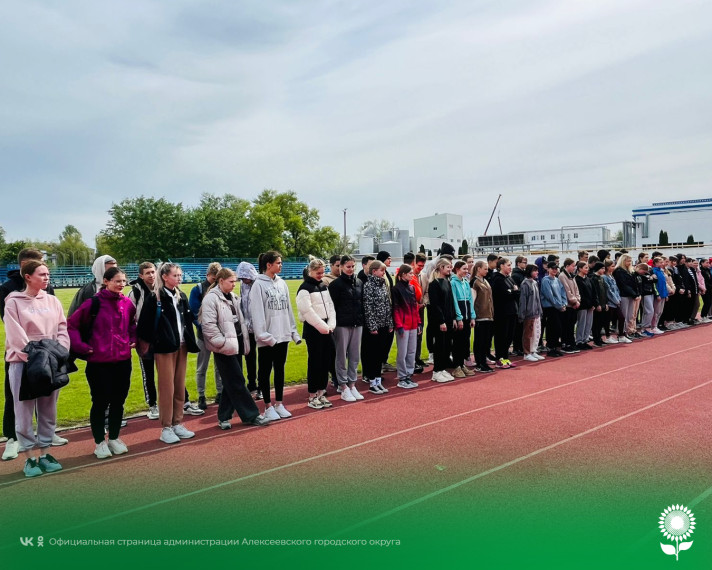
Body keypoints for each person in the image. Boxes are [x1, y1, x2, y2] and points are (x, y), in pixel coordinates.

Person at [4, 261, 68, 477]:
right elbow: (15, 335)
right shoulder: (13, 302)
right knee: (23, 411)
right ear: (28, 276)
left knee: (48, 408)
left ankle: (46, 453)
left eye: (48, 274)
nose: (46, 277)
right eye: (42, 274)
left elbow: (62, 328)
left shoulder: (53, 301)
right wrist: (33, 357)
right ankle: (30, 458)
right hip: (23, 363)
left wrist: (59, 352)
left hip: (51, 362)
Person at [68, 267, 136, 459]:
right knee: (100, 402)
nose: (121, 285)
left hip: (123, 361)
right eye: (117, 281)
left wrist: (133, 337)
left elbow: (132, 323)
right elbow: (71, 325)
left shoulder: (127, 303)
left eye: (124, 281)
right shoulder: (94, 303)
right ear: (106, 281)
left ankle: (114, 438)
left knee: (118, 402)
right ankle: (99, 442)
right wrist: (81, 346)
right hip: (99, 363)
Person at [137, 262, 199, 444]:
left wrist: (189, 340)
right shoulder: (154, 297)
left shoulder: (182, 296)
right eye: (175, 275)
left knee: (179, 386)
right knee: (166, 388)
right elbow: (144, 326)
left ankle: (177, 422)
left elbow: (188, 321)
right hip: (164, 348)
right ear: (165, 277)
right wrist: (158, 340)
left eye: (180, 275)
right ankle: (166, 427)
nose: (179, 278)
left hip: (181, 346)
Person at [199, 268, 270, 429]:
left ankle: (223, 417)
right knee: (237, 380)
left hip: (236, 343)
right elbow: (209, 326)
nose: (234, 284)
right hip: (224, 347)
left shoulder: (233, 297)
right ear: (221, 281)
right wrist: (222, 343)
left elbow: (240, 321)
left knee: (231, 381)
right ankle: (251, 415)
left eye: (235, 281)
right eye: (231, 281)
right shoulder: (211, 299)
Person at [250, 251, 302, 420]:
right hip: (267, 338)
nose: (281, 265)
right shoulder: (258, 285)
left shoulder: (282, 284)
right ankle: (267, 406)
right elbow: (256, 313)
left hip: (283, 335)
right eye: (278, 263)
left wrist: (292, 331)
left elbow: (288, 310)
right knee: (265, 372)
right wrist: (264, 335)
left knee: (280, 370)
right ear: (268, 265)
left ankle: (279, 403)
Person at [296, 258, 337, 409]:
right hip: (314, 330)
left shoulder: (323, 286)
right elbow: (307, 311)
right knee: (315, 362)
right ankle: (312, 395)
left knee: (327, 361)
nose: (321, 275)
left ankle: (322, 392)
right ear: (310, 271)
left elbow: (330, 306)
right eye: (318, 273)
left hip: (327, 328)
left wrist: (331, 324)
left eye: (322, 272)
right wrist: (322, 326)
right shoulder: (304, 288)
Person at [329, 255, 365, 402]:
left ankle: (352, 384)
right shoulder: (335, 285)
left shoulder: (359, 282)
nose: (350, 269)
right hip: (342, 324)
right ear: (341, 267)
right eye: (348, 267)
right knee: (341, 356)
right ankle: (342, 386)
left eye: (352, 266)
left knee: (355, 356)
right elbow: (332, 307)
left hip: (357, 323)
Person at [189, 262, 223, 410]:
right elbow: (194, 313)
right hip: (203, 335)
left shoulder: (221, 289)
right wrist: (204, 327)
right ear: (207, 275)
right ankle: (201, 395)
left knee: (219, 366)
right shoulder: (197, 289)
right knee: (201, 366)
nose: (215, 281)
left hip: (219, 333)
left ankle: (220, 392)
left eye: (217, 278)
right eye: (213, 278)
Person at [128, 261, 159, 420]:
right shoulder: (135, 292)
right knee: (148, 373)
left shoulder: (161, 288)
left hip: (161, 337)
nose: (151, 275)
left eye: (153, 272)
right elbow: (130, 317)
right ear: (141, 275)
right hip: (144, 338)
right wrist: (134, 337)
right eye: (148, 273)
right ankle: (152, 404)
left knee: (168, 371)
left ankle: (181, 400)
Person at [362, 260, 394, 394]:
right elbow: (368, 307)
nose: (384, 273)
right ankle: (372, 382)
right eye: (382, 270)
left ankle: (378, 380)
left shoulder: (382, 285)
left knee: (380, 354)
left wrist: (390, 323)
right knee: (373, 355)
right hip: (374, 327)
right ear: (374, 271)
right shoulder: (368, 286)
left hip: (384, 325)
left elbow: (388, 305)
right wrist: (372, 326)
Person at [391, 264, 421, 388]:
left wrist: (419, 322)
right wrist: (399, 325)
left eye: (412, 273)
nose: (412, 275)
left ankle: (408, 374)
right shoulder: (396, 289)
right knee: (402, 352)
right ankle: (402, 377)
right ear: (403, 274)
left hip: (413, 324)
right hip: (403, 325)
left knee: (411, 351)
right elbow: (396, 309)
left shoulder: (412, 288)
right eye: (409, 273)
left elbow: (415, 307)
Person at [427, 258, 456, 382]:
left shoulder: (447, 282)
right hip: (439, 321)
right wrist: (441, 321)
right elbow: (435, 305)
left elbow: (450, 302)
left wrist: (453, 318)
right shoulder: (434, 284)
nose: (450, 269)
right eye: (448, 267)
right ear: (441, 268)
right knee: (439, 345)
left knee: (446, 345)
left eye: (450, 267)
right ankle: (436, 371)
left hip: (449, 319)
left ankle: (442, 369)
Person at [236, 261, 260, 400]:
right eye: (241, 278)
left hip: (261, 327)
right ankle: (252, 384)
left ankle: (261, 386)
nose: (244, 280)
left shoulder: (258, 284)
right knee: (250, 357)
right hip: (248, 328)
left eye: (245, 277)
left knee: (263, 359)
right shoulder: (243, 285)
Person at [490, 257, 519, 368]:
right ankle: (499, 358)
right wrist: (513, 291)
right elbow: (504, 294)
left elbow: (517, 291)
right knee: (501, 336)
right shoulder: (497, 279)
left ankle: (505, 357)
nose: (510, 268)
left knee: (509, 336)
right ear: (501, 266)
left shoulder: (509, 279)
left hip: (512, 311)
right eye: (508, 265)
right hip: (502, 312)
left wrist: (513, 291)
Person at [451, 260, 476, 377]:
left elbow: (470, 300)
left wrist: (472, 316)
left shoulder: (466, 282)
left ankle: (462, 365)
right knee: (458, 342)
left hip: (467, 316)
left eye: (467, 269)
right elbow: (454, 301)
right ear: (457, 269)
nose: (466, 271)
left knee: (465, 342)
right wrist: (458, 317)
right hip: (460, 316)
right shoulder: (453, 283)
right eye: (464, 269)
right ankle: (456, 366)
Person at [471, 260, 495, 372]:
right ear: (478, 269)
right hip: (480, 316)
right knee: (479, 341)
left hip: (488, 315)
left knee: (486, 341)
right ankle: (479, 363)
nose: (487, 270)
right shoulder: (474, 283)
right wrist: (473, 316)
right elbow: (472, 300)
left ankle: (483, 362)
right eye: (485, 268)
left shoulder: (485, 281)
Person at [539, 262, 567, 357]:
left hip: (559, 307)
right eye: (552, 268)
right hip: (550, 308)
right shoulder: (545, 280)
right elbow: (549, 295)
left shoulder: (557, 280)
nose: (555, 270)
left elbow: (563, 292)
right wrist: (559, 305)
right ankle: (550, 347)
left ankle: (555, 346)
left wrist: (564, 303)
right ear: (548, 269)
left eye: (556, 268)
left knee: (558, 328)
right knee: (552, 328)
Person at [518, 264, 544, 361]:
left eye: (537, 271)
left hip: (536, 312)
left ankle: (533, 350)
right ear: (529, 271)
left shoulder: (535, 282)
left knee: (536, 333)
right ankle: (527, 352)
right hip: (529, 313)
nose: (537, 272)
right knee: (528, 334)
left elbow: (538, 299)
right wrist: (523, 314)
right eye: (535, 271)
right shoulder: (525, 284)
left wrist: (540, 310)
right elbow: (523, 300)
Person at [613, 254, 640, 342]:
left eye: (630, 261)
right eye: (628, 261)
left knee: (630, 315)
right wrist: (634, 294)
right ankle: (621, 333)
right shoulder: (618, 271)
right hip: (624, 295)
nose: (629, 263)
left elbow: (634, 283)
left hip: (631, 295)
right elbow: (623, 284)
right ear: (623, 261)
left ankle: (626, 331)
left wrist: (636, 293)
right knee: (623, 315)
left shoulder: (629, 271)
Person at [558, 258, 581, 353]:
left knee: (571, 325)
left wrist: (578, 300)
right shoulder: (562, 276)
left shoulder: (572, 276)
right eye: (573, 265)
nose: (574, 267)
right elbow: (567, 291)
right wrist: (574, 301)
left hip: (574, 305)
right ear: (567, 266)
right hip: (567, 305)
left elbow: (576, 289)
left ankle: (571, 343)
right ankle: (565, 344)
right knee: (566, 325)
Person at [574, 261, 598, 350]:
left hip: (590, 306)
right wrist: (588, 304)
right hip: (583, 305)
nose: (587, 269)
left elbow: (593, 292)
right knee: (582, 323)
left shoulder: (588, 279)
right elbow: (581, 294)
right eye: (585, 268)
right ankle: (579, 341)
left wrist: (594, 303)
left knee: (588, 323)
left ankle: (585, 339)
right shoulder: (577, 280)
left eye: (588, 268)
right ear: (580, 269)